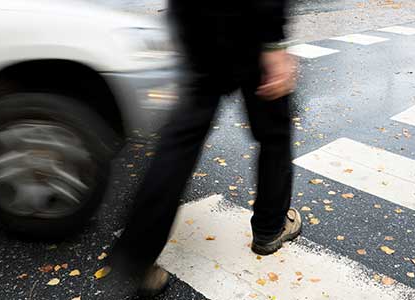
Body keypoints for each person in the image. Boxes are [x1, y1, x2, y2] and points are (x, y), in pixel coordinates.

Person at [109, 0, 299, 296]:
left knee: (182, 138)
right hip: (250, 24)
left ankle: (138, 253)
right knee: (274, 132)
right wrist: (274, 44)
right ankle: (270, 227)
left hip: (196, 20)